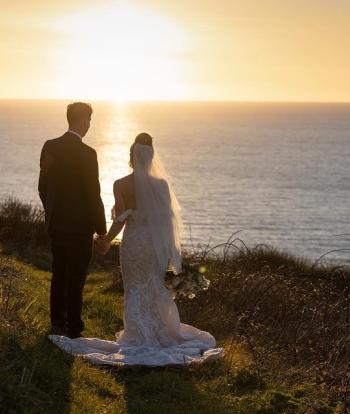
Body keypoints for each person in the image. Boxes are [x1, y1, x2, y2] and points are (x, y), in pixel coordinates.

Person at [49, 132, 223, 366]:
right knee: (153, 286)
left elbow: (120, 220)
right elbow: (167, 223)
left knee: (134, 288)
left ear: (131, 157)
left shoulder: (121, 184)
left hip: (133, 245)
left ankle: (137, 335)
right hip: (153, 246)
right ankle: (158, 332)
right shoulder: (161, 186)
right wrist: (172, 254)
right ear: (151, 158)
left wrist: (106, 240)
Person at [38, 102, 106, 338]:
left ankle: (57, 322)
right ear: (83, 121)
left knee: (59, 272)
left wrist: (52, 212)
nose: (89, 125)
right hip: (80, 227)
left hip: (57, 224)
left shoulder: (50, 146)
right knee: (76, 276)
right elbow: (93, 194)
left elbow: (42, 187)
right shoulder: (88, 154)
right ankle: (73, 326)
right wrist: (101, 229)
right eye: (89, 120)